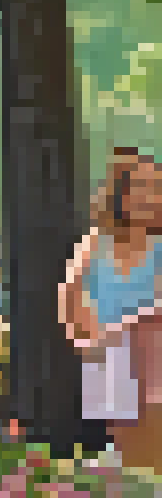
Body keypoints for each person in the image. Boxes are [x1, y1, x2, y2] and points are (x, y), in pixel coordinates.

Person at [63, 151, 162, 472]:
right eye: (142, 186)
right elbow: (71, 301)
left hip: (152, 358)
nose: (150, 196)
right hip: (108, 356)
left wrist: (134, 325)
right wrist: (94, 339)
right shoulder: (95, 244)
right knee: (127, 449)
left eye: (156, 188)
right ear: (122, 194)